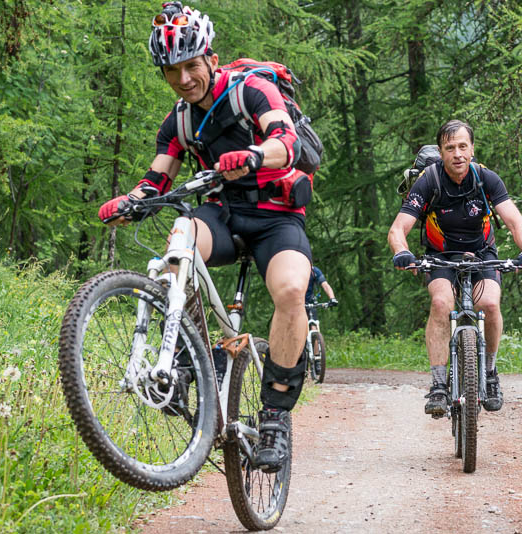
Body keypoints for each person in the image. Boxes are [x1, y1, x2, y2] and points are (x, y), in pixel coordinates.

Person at [97, 2, 313, 473]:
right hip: (222, 215)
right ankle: (189, 354)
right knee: (180, 235)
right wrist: (129, 202)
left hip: (277, 216)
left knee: (292, 289)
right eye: (171, 70)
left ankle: (275, 415)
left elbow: (286, 141)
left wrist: (255, 154)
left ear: (210, 59)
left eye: (190, 66)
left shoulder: (250, 92)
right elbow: (157, 178)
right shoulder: (179, 121)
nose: (183, 79)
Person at [387, 119, 522, 416]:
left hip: (482, 254)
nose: (457, 153)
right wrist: (402, 252)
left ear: (471, 149)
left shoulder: (486, 179)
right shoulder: (429, 181)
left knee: (490, 304)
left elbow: (514, 219)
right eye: (449, 148)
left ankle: (491, 373)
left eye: (462, 146)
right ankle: (439, 384)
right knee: (441, 302)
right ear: (441, 152)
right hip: (441, 256)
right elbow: (397, 229)